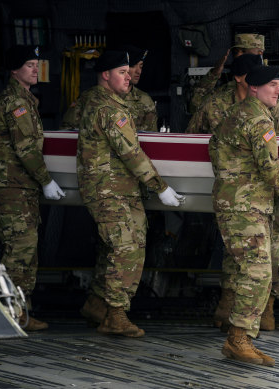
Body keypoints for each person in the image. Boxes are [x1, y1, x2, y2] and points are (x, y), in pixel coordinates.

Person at [209, 65, 279, 366]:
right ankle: (238, 339)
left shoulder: (236, 114)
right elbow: (270, 167)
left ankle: (241, 337)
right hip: (244, 207)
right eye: (273, 86)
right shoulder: (258, 121)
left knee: (252, 271)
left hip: (239, 203)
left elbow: (215, 150)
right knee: (257, 272)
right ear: (254, 87)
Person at [76, 50, 184, 338]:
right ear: (105, 75)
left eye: (128, 71)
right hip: (109, 189)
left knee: (125, 246)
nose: (128, 77)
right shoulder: (109, 110)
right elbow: (132, 153)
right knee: (125, 248)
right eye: (121, 72)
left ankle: (98, 304)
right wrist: (161, 187)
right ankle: (115, 314)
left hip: (119, 188)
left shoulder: (105, 103)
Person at [187, 53, 279, 332]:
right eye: (273, 85)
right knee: (253, 267)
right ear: (247, 82)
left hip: (254, 198)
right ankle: (238, 331)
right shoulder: (243, 113)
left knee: (256, 262)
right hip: (245, 200)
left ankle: (251, 322)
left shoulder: (258, 112)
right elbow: (269, 164)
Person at [0, 45, 66, 331]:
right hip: (10, 185)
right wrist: (46, 180)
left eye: (36, 64)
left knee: (27, 248)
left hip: (19, 185)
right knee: (20, 247)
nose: (34, 69)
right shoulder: (15, 102)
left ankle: (20, 309)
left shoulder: (25, 100)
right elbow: (26, 147)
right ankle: (8, 311)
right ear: (14, 70)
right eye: (29, 64)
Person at [190, 33, 279, 128]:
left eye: (243, 51)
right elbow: (197, 104)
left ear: (260, 54)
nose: (238, 55)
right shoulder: (232, 85)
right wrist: (214, 74)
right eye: (236, 52)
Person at [119, 44, 158, 132]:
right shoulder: (98, 97)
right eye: (133, 66)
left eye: (141, 66)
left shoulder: (145, 101)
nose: (139, 71)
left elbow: (152, 138)